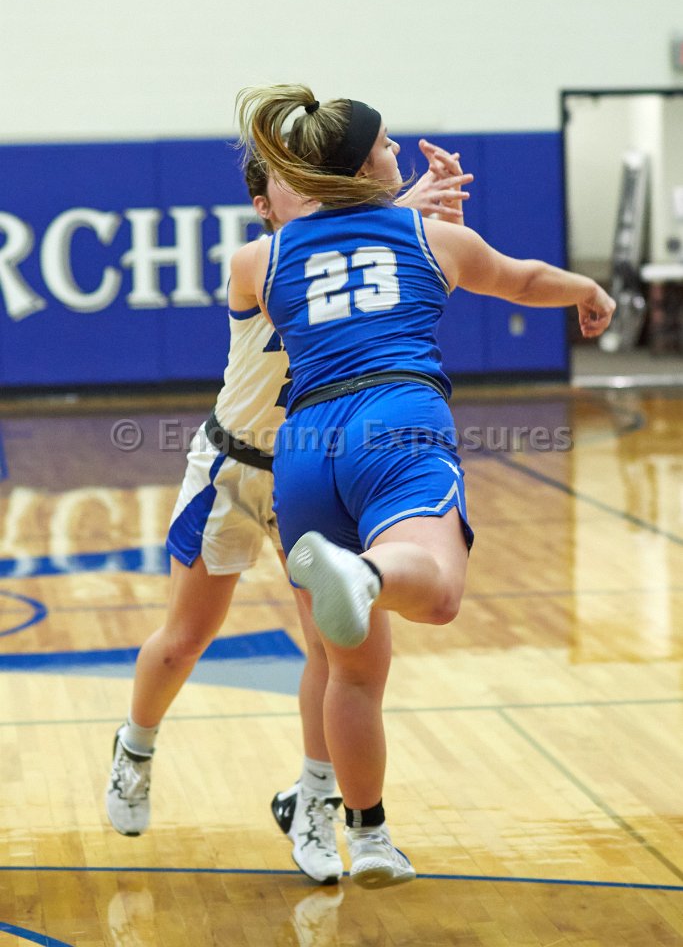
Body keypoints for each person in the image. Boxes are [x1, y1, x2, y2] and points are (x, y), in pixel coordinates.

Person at [229, 83, 616, 890]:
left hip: (303, 447)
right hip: (395, 418)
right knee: (435, 593)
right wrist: (586, 290)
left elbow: (336, 237)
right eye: (386, 144)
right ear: (363, 166)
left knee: (352, 672)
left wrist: (393, 201)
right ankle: (366, 572)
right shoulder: (432, 237)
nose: (398, 150)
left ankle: (368, 834)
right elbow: (521, 280)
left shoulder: (261, 259)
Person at [104, 139, 472, 887]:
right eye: (285, 181)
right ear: (264, 206)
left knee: (334, 649)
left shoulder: (376, 248)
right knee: (185, 639)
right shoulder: (262, 262)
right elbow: (340, 240)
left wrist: (411, 210)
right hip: (233, 468)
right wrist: (408, 204)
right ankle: (134, 747)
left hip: (313, 468)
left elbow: (389, 251)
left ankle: (313, 799)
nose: (304, 189)